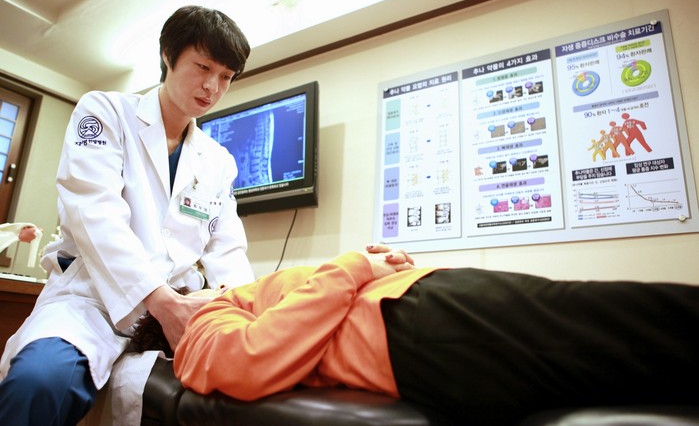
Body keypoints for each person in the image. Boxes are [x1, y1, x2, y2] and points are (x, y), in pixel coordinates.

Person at [0, 5, 255, 426]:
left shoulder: (218, 161)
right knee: (39, 383)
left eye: (226, 77)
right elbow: (93, 214)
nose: (212, 87)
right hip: (92, 303)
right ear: (168, 56)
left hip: (177, 311)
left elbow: (228, 250)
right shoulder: (106, 112)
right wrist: (160, 301)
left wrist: (242, 308)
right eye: (203, 67)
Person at [169, 245, 699, 426]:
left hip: (423, 304)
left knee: (618, 334)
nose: (212, 286)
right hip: (412, 326)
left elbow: (312, 307)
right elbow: (252, 357)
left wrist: (375, 263)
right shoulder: (199, 330)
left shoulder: (245, 298)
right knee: (638, 326)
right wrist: (354, 266)